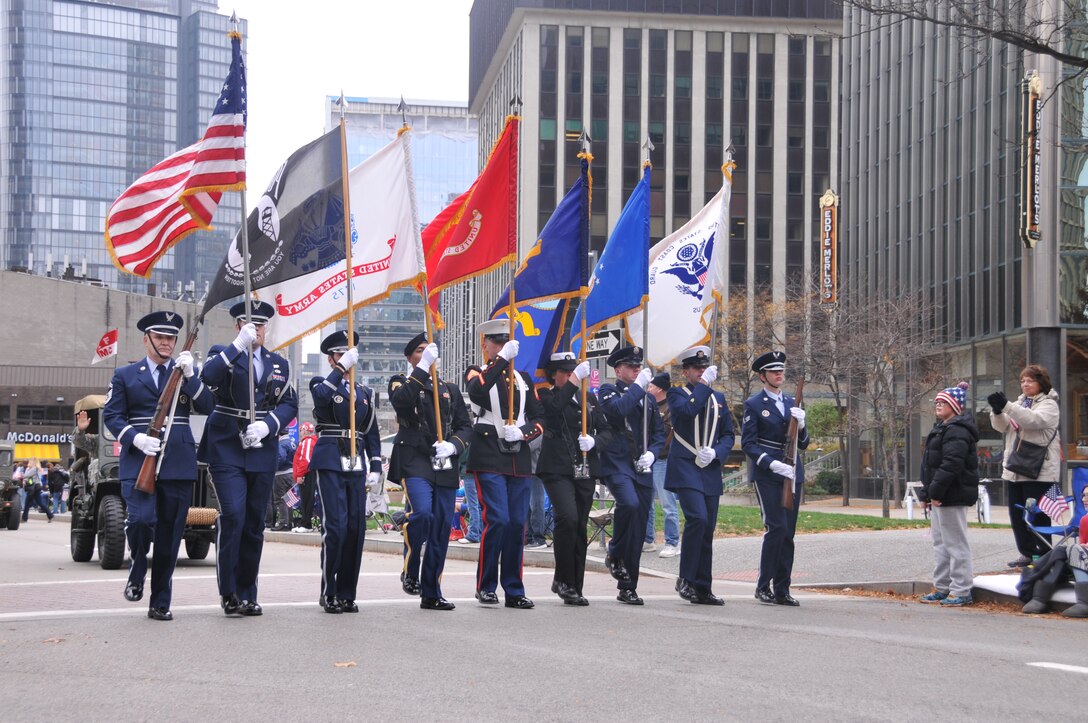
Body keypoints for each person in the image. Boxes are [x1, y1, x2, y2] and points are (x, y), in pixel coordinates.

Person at [102, 310, 214, 621]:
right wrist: (135, 439)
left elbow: (208, 408)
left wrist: (192, 377)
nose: (167, 343)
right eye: (161, 337)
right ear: (147, 339)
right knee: (139, 521)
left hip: (177, 462)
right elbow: (112, 417)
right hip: (139, 462)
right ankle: (137, 569)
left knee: (169, 534)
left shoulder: (183, 373)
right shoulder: (126, 375)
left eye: (171, 338)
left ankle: (160, 600)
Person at [199, 300, 298, 617]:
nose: (256, 330)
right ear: (237, 326)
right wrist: (235, 348)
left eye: (261, 325)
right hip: (227, 443)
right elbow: (208, 377)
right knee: (234, 515)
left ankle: (247, 593)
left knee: (255, 523)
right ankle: (228, 591)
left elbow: (289, 404)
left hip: (261, 446)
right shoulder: (223, 353)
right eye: (248, 324)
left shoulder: (278, 363)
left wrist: (269, 425)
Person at [463, 318, 545, 609]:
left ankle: (513, 588)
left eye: (504, 343)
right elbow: (477, 392)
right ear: (485, 346)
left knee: (515, 525)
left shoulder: (524, 378)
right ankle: (485, 585)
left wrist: (524, 432)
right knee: (496, 519)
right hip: (488, 455)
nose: (499, 347)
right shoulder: (478, 371)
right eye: (495, 343)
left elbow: (540, 417)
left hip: (518, 457)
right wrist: (501, 359)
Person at [389, 332, 472, 611]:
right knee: (422, 513)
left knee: (440, 528)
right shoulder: (401, 381)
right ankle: (410, 569)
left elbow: (465, 425)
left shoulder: (449, 388)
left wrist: (453, 445)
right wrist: (423, 368)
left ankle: (432, 591)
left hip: (442, 461)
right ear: (411, 357)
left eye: (429, 350)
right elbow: (402, 402)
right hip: (414, 459)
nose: (426, 354)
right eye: (420, 351)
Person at [309, 330, 382, 614]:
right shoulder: (322, 382)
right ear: (331, 359)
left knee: (356, 529)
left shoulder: (364, 392)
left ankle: (347, 593)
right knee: (336, 527)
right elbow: (320, 398)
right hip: (330, 457)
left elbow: (371, 431)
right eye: (339, 355)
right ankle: (328, 591)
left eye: (349, 354)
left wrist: (375, 463)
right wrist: (340, 370)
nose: (346, 359)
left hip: (355, 460)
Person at [537, 351, 613, 606]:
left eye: (574, 372)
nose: (571, 377)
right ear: (554, 375)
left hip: (585, 468)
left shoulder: (589, 398)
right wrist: (572, 384)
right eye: (566, 373)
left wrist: (594, 442)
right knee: (567, 518)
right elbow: (555, 411)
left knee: (579, 524)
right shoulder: (546, 394)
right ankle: (564, 579)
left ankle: (572, 585)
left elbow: (606, 431)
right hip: (557, 467)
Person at [666, 346, 736, 605]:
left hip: (708, 468)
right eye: (696, 369)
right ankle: (685, 578)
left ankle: (703, 587)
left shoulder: (718, 397)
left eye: (704, 368)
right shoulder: (677, 394)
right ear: (686, 372)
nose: (701, 372)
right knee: (697, 518)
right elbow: (686, 413)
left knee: (707, 528)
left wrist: (717, 452)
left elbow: (728, 434)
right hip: (685, 466)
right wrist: (704, 384)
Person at [598, 345, 665, 605]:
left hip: (641, 466)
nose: (637, 370)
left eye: (639, 367)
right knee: (629, 503)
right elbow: (617, 411)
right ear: (618, 370)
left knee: (638, 526)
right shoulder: (608, 390)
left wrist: (653, 453)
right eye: (631, 367)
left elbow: (658, 432)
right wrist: (639, 387)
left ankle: (628, 586)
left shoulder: (648, 399)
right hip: (617, 463)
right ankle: (615, 551)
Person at [742, 350, 809, 607]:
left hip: (792, 472)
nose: (779, 374)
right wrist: (772, 464)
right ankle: (763, 585)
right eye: (773, 371)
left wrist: (802, 425)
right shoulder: (754, 405)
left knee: (788, 532)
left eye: (781, 370)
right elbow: (749, 444)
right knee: (776, 527)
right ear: (763, 376)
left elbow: (803, 443)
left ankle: (783, 588)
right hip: (769, 474)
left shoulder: (794, 402)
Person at [987, 364, 1061, 568]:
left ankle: (1045, 555)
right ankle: (1027, 553)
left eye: (1030, 380)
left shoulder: (1049, 404)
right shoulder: (1020, 403)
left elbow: (1033, 421)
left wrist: (1007, 406)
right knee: (1017, 516)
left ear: (1041, 383)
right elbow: (1003, 427)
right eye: (1022, 381)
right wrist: (997, 411)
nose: (1025, 384)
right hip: (1015, 469)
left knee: (1038, 515)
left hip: (1039, 471)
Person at [918, 382, 979, 607]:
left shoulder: (958, 430)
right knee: (940, 543)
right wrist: (926, 494)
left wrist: (935, 492)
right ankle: (943, 587)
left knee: (955, 543)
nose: (938, 405)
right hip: (939, 495)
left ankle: (962, 589)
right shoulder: (941, 428)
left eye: (943, 402)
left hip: (952, 495)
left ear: (955, 405)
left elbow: (951, 464)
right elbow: (930, 466)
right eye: (937, 402)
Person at [645, 372, 680, 558]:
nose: (648, 389)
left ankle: (672, 542)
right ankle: (648, 539)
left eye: (650, 386)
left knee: (668, 504)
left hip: (663, 459)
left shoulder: (670, 408)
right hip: (648, 458)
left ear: (659, 388)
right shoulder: (649, 405)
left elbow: (668, 434)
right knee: (647, 502)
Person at [292, 422, 318, 532]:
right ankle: (305, 522)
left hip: (306, 474)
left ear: (305, 430)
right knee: (306, 499)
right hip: (307, 473)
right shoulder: (310, 441)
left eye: (301, 430)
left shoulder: (307, 442)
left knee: (307, 499)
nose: (300, 433)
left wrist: (300, 474)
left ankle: (306, 524)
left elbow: (305, 459)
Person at [269, 433, 297, 531]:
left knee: (280, 499)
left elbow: (280, 458)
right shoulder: (292, 442)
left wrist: (272, 468)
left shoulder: (281, 443)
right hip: (291, 473)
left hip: (281, 474)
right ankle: (289, 523)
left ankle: (283, 523)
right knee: (289, 499)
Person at [20, 457, 52, 521]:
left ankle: (24, 518)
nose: (29, 462)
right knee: (39, 503)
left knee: (28, 503)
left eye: (30, 461)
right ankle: (50, 515)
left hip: (33, 487)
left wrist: (22, 474)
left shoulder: (33, 468)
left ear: (32, 462)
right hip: (36, 487)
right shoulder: (36, 468)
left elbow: (26, 475)